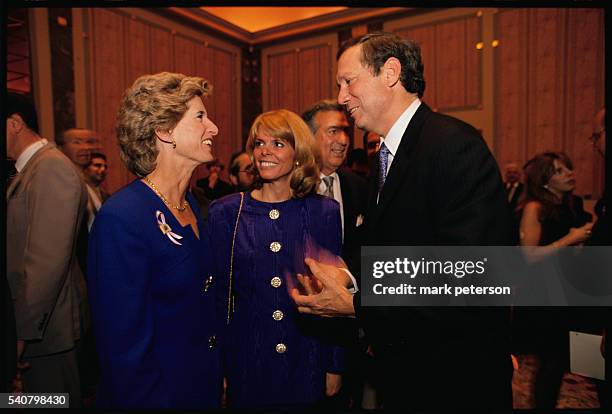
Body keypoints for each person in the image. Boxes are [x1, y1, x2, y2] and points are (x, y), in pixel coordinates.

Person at [291, 32, 515, 409]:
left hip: (453, 380)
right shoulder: (390, 155)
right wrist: (344, 275)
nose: (342, 97)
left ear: (390, 72)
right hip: (410, 370)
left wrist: (356, 304)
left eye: (348, 81)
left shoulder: (452, 145)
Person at [87, 72, 222, 409]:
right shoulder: (122, 218)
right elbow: (123, 350)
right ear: (164, 131)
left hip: (201, 390)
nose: (214, 128)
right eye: (201, 117)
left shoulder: (193, 204)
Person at [205, 109, 344, 408]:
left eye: (278, 144)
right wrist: (218, 367)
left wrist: (335, 364)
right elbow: (217, 298)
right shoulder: (226, 213)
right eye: (259, 143)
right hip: (246, 361)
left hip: (306, 358)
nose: (264, 151)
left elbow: (336, 294)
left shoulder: (325, 212)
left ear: (299, 154)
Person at [6, 92, 88, 405]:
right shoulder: (31, 170)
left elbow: (45, 264)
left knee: (49, 402)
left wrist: (21, 336)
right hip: (37, 329)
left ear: (14, 123)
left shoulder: (51, 168)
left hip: (46, 333)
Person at [518, 151, 594, 408]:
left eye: (568, 169)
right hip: (546, 296)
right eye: (560, 171)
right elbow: (529, 255)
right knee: (551, 362)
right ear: (545, 181)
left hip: (569, 292)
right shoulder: (534, 208)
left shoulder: (571, 205)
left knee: (569, 361)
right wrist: (570, 240)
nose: (570, 174)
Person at [82, 152, 110, 231]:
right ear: (85, 168)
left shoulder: (106, 196)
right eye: (97, 165)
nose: (103, 169)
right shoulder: (79, 192)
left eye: (105, 166)